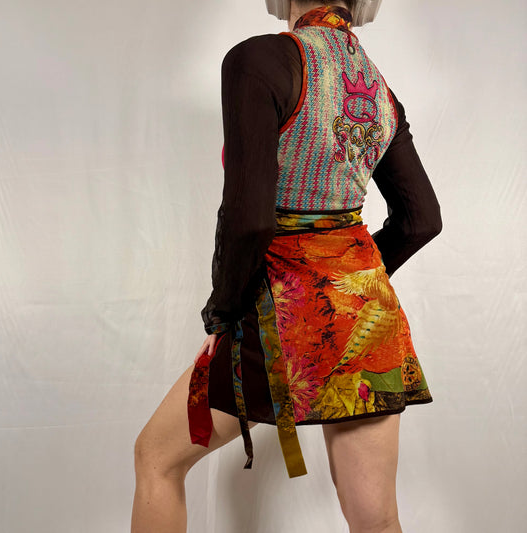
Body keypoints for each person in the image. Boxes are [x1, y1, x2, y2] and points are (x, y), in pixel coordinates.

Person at [131, 1, 442, 532]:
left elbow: (250, 221)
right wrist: (348, 281)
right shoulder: (379, 90)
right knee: (377, 520)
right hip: (367, 324)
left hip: (282, 313)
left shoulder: (258, 60)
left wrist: (222, 313)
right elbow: (421, 220)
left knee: (157, 459)